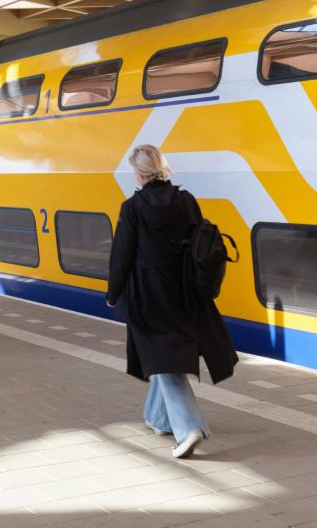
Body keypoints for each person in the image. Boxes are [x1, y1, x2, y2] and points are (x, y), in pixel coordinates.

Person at [106, 144, 238, 459]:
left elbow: (121, 256)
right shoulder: (186, 200)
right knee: (164, 356)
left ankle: (189, 427)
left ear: (139, 173)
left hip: (149, 296)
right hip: (185, 291)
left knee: (164, 361)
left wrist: (113, 294)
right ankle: (157, 418)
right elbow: (200, 243)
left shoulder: (132, 208)